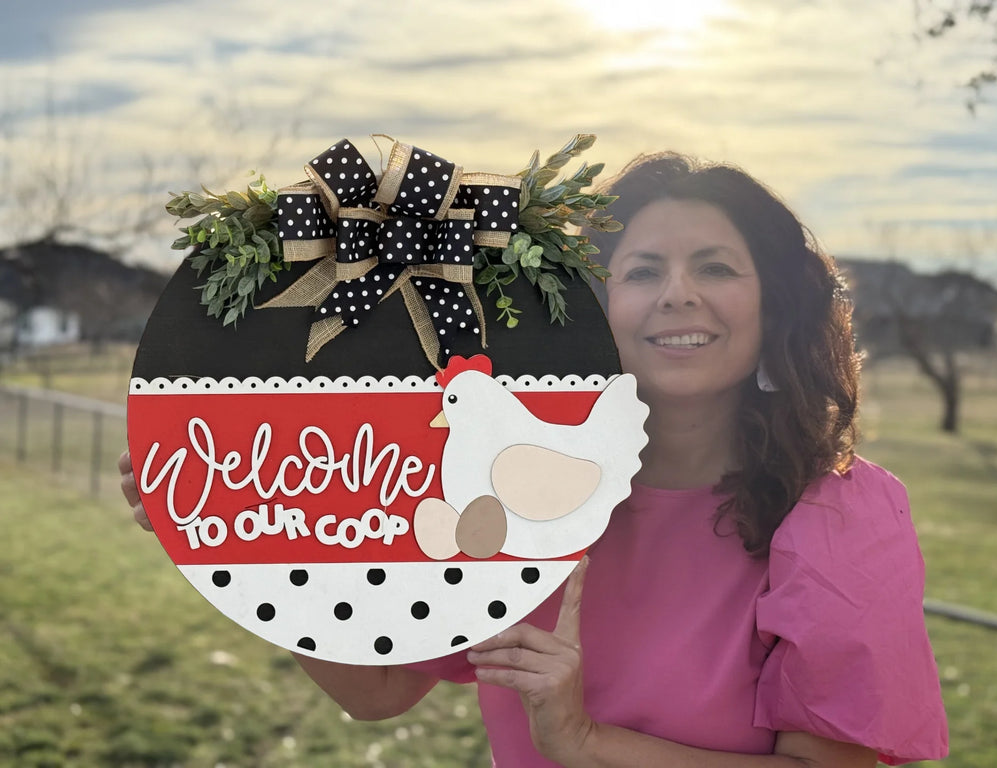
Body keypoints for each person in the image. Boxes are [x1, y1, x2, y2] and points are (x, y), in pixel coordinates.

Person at [119, 151, 949, 767]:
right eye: (643, 270)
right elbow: (377, 691)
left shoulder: (840, 514)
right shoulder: (508, 492)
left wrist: (585, 741)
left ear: (777, 309)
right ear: (589, 310)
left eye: (717, 268)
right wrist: (245, 546)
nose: (677, 294)